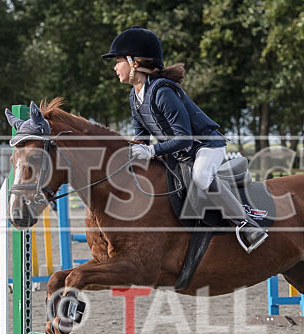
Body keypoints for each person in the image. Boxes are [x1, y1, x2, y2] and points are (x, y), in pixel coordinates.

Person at [102, 26, 268, 253]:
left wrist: (150, 152)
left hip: (205, 145)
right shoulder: (135, 96)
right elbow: (141, 138)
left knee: (200, 177)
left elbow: (185, 138)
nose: (114, 67)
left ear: (134, 62)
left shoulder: (162, 92)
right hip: (179, 152)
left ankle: (246, 225)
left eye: (118, 60)